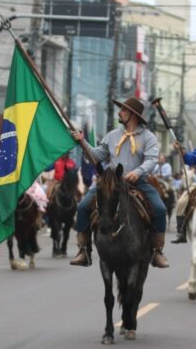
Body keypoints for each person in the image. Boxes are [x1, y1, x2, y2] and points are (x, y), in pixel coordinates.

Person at [69, 97, 169, 268]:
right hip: (112, 183)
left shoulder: (149, 137)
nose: (119, 113)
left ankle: (157, 250)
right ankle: (84, 250)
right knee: (82, 206)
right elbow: (96, 156)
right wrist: (81, 141)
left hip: (138, 183)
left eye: (123, 110)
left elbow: (151, 160)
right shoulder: (112, 135)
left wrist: (137, 172)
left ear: (133, 115)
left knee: (160, 209)